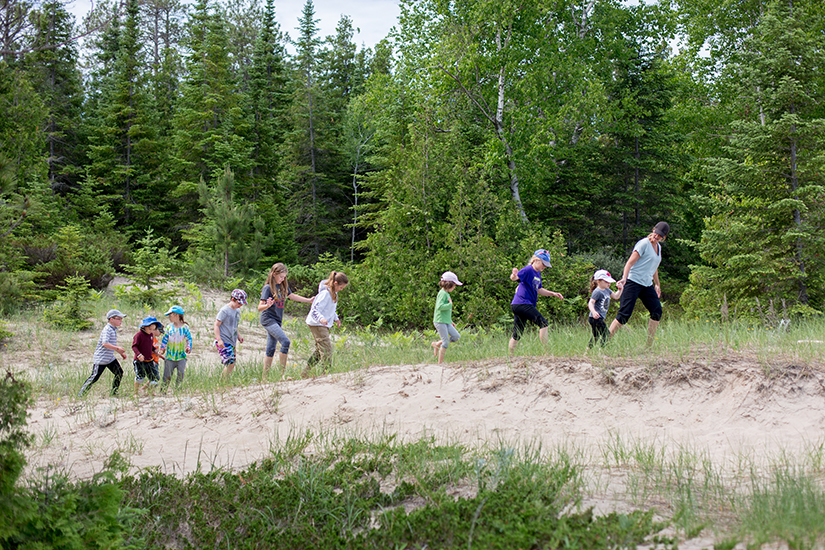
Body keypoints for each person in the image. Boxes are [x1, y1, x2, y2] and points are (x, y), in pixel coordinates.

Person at [609, 221, 669, 345]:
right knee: (624, 314)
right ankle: (603, 342)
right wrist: (624, 278)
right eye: (656, 233)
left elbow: (654, 267)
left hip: (647, 284)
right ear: (653, 230)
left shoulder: (658, 248)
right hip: (633, 282)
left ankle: (648, 345)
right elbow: (629, 263)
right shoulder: (643, 244)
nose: (656, 236)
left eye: (660, 236)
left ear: (664, 237)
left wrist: (657, 284)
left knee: (657, 311)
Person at [258, 263, 314, 380]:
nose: (283, 279)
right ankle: (281, 375)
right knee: (285, 342)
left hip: (277, 320)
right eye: (281, 277)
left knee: (271, 349)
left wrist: (309, 300)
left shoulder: (283, 286)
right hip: (268, 319)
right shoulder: (268, 288)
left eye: (284, 277)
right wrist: (267, 305)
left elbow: (292, 296)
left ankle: (264, 379)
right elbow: (260, 307)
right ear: (274, 274)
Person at [508, 249, 564, 354]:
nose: (545, 267)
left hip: (518, 304)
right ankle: (547, 352)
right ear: (536, 260)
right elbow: (515, 278)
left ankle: (509, 357)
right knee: (543, 323)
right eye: (543, 263)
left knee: (517, 334)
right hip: (522, 303)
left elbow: (539, 290)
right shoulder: (529, 270)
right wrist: (513, 275)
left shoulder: (537, 274)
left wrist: (553, 293)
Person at [305, 271, 348, 373]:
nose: (341, 290)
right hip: (317, 324)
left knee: (320, 350)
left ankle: (306, 372)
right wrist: (321, 318)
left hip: (324, 324)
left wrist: (336, 318)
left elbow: (331, 309)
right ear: (335, 283)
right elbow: (315, 309)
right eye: (341, 288)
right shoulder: (325, 294)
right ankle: (326, 372)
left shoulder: (334, 294)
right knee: (326, 349)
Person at [78, 309, 128, 397]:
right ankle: (81, 395)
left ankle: (114, 393)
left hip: (109, 358)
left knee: (119, 372)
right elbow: (105, 343)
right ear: (111, 319)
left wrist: (120, 352)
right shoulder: (107, 329)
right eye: (118, 319)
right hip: (101, 358)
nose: (120, 321)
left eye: (121, 319)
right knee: (94, 377)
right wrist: (117, 348)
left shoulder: (113, 329)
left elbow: (110, 343)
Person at [431, 271, 462, 364]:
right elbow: (439, 307)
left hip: (445, 321)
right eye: (454, 285)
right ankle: (440, 364)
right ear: (449, 284)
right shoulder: (442, 293)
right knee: (445, 343)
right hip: (440, 321)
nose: (455, 287)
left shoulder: (446, 294)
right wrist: (450, 305)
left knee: (456, 336)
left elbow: (446, 312)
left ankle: (437, 344)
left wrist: (450, 321)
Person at [214, 289, 247, 376]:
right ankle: (221, 383)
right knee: (230, 364)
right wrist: (219, 340)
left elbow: (234, 325)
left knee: (232, 363)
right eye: (239, 303)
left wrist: (239, 336)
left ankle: (226, 382)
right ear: (233, 299)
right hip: (224, 340)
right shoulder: (224, 311)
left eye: (242, 303)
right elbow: (216, 325)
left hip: (232, 340)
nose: (240, 305)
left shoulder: (237, 310)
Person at [587, 269, 623, 348]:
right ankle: (602, 350)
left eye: (609, 282)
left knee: (596, 335)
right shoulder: (597, 291)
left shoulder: (607, 290)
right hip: (595, 318)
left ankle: (588, 351)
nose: (609, 283)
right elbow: (591, 302)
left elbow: (616, 296)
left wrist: (620, 289)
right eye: (606, 282)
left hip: (599, 317)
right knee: (606, 334)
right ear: (598, 281)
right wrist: (593, 312)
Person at [160, 305, 192, 389]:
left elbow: (189, 339)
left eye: (170, 316)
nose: (169, 318)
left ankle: (178, 390)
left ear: (177, 315)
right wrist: (162, 348)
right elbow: (165, 339)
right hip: (170, 356)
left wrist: (189, 347)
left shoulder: (185, 327)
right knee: (167, 375)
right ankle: (163, 391)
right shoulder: (169, 327)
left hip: (181, 356)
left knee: (180, 374)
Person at [133, 316, 161, 394]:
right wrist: (139, 355)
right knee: (140, 377)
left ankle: (150, 392)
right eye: (150, 329)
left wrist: (154, 350)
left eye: (153, 329)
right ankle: (135, 393)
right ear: (144, 326)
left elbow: (149, 345)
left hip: (149, 360)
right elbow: (134, 346)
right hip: (139, 360)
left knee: (154, 377)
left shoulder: (151, 335)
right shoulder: (139, 335)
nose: (151, 331)